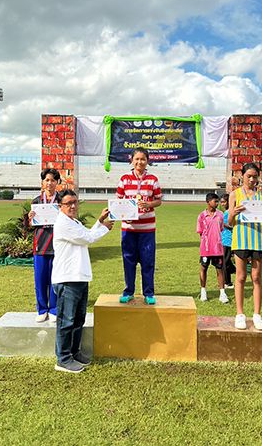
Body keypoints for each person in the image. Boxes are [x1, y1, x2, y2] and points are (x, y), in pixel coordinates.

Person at [52, 189, 113, 373]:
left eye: (75, 202)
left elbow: (86, 233)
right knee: (66, 320)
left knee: (78, 319)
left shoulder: (73, 222)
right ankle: (63, 359)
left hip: (79, 276)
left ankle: (74, 352)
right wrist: (104, 228)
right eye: (68, 203)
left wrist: (100, 221)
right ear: (60, 206)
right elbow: (87, 238)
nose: (73, 206)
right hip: (67, 278)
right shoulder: (63, 223)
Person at [228, 163, 262, 331]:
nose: (251, 179)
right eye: (248, 176)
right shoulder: (234, 195)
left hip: (258, 240)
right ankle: (240, 314)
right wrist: (233, 213)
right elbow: (230, 222)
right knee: (241, 277)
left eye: (255, 176)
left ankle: (257, 315)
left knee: (256, 278)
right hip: (241, 239)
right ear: (242, 176)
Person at [116, 147, 162, 305]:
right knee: (128, 260)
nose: (140, 162)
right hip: (128, 229)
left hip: (147, 228)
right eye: (137, 159)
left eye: (143, 159)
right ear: (132, 160)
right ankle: (129, 291)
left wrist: (148, 204)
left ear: (147, 161)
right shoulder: (124, 179)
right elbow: (118, 201)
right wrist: (124, 216)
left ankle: (148, 293)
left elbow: (158, 200)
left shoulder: (153, 179)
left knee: (148, 261)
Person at [28, 168, 61, 323]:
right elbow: (31, 224)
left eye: (53, 180)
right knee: (40, 279)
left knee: (55, 279)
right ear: (42, 182)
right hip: (40, 245)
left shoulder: (61, 200)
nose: (50, 183)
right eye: (47, 180)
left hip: (57, 245)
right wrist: (31, 218)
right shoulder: (36, 201)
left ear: (57, 182)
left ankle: (54, 309)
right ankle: (42, 310)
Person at [197, 192, 229, 303]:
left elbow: (220, 229)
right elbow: (201, 232)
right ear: (208, 202)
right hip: (205, 248)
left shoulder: (220, 215)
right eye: (215, 201)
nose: (217, 203)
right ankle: (203, 292)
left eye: (217, 201)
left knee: (219, 270)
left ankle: (222, 293)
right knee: (203, 268)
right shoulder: (201, 216)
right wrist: (206, 242)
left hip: (217, 248)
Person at [220, 193, 235, 289]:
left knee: (224, 261)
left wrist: (221, 223)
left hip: (228, 239)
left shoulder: (231, 212)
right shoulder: (226, 212)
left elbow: (231, 225)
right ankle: (233, 271)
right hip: (223, 238)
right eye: (221, 202)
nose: (222, 204)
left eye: (224, 202)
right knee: (226, 261)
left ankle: (228, 282)